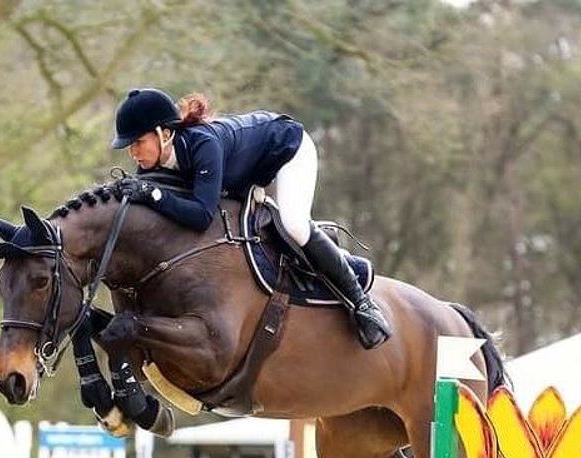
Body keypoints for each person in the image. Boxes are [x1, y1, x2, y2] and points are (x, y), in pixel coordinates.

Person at [110, 87, 391, 349]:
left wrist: (154, 196)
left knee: (293, 224)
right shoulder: (151, 166)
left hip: (285, 148)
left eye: (138, 142)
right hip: (242, 173)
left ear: (164, 134)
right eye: (129, 146)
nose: (133, 152)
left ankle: (362, 303)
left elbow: (200, 216)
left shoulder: (203, 144)